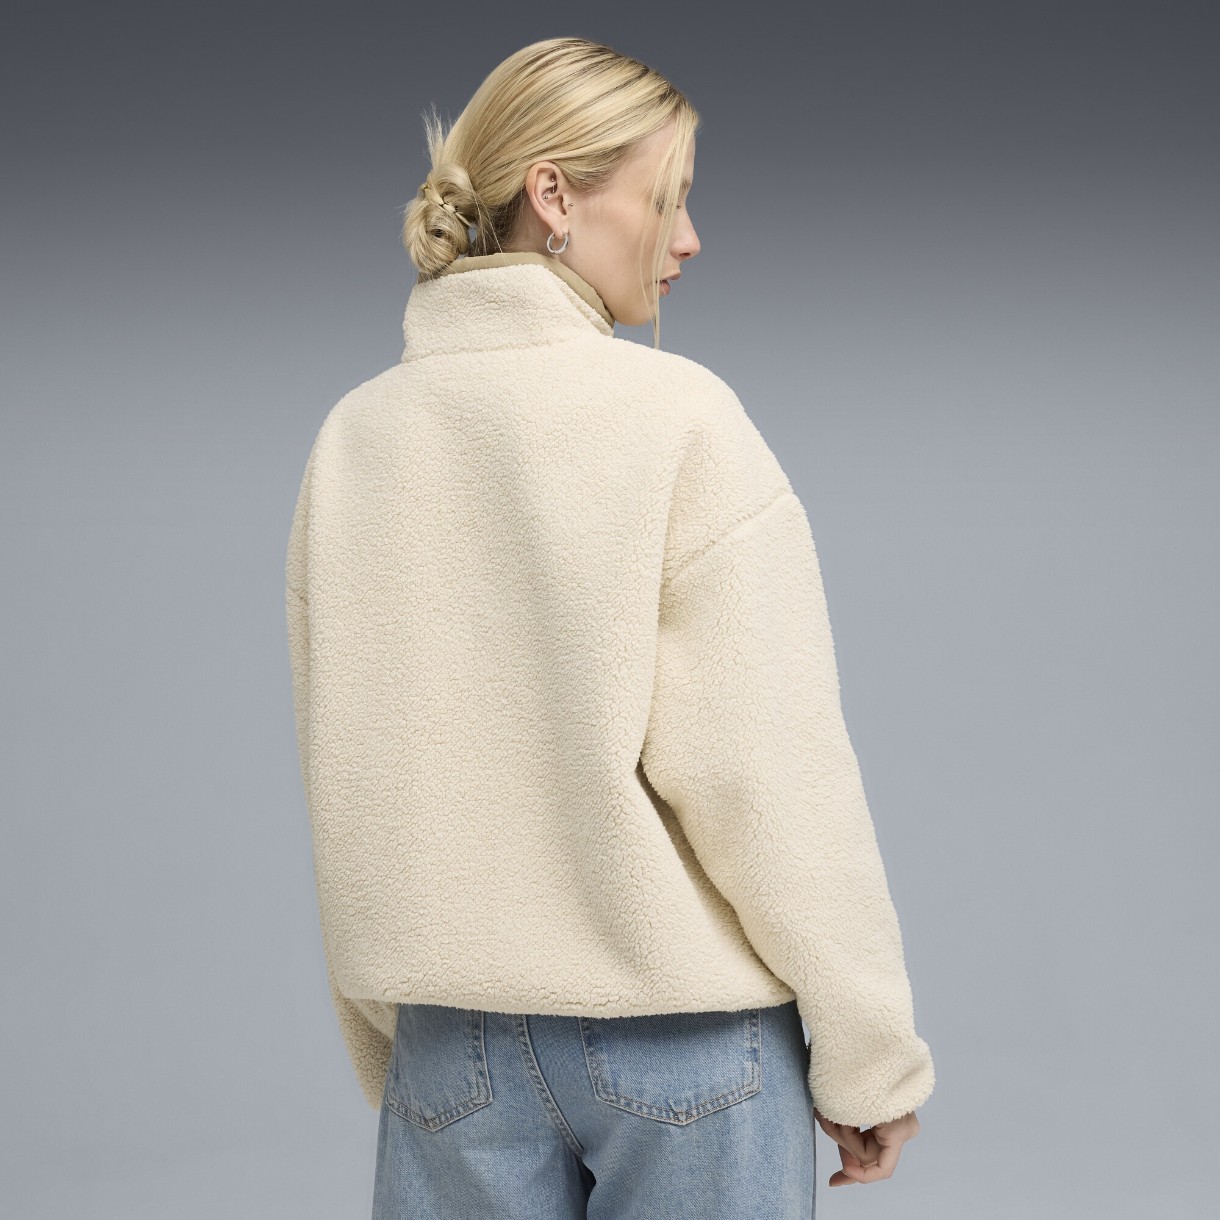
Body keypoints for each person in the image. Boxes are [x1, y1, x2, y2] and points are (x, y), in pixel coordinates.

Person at [285, 35, 935, 1218]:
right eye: (668, 198)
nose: (688, 240)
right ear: (553, 194)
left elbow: (350, 774)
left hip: (452, 1045)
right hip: (682, 1039)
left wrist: (403, 1033)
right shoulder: (678, 418)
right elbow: (767, 775)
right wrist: (868, 1054)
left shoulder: (355, 438)